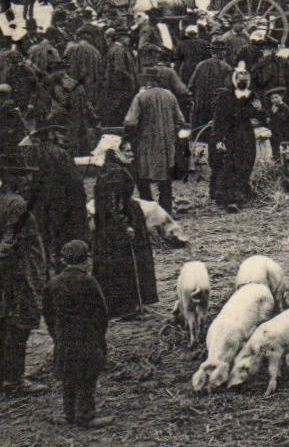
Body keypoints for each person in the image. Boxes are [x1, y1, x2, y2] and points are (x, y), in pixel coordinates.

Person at [0, 148, 49, 398]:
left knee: (2, 322)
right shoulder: (17, 204)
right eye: (23, 176)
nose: (27, 180)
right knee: (19, 324)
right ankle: (15, 381)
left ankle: (4, 378)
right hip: (18, 273)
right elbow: (11, 240)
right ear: (14, 177)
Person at [43, 240, 111, 428]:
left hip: (63, 338)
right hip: (86, 337)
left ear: (64, 260)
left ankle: (69, 413)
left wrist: (55, 334)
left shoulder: (54, 283)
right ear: (86, 259)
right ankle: (85, 415)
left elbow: (47, 312)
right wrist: (99, 336)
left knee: (68, 377)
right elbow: (101, 312)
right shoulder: (88, 281)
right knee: (87, 378)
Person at [90, 140, 158, 319]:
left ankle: (120, 305)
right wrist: (124, 225)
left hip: (108, 225)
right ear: (115, 152)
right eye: (126, 151)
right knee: (124, 264)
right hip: (117, 225)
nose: (131, 154)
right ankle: (126, 307)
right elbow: (114, 205)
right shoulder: (116, 174)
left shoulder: (109, 170)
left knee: (113, 265)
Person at [23, 124, 90, 265]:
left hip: (40, 204)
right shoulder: (61, 154)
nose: (63, 137)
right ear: (51, 135)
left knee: (43, 239)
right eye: (59, 133)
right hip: (61, 203)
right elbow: (74, 183)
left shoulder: (31, 153)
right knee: (61, 239)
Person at [121, 66, 185, 213]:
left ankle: (148, 209)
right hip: (167, 145)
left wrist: (128, 138)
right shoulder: (169, 95)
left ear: (146, 81)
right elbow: (180, 120)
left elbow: (130, 122)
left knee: (142, 176)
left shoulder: (141, 97)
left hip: (147, 143)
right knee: (165, 179)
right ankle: (166, 211)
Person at [211, 65, 261, 211]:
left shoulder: (253, 96)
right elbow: (219, 119)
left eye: (245, 77)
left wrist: (259, 110)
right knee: (230, 166)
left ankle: (241, 195)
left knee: (246, 164)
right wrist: (218, 139)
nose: (243, 79)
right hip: (231, 135)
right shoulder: (225, 96)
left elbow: (261, 116)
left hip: (246, 136)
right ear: (235, 79)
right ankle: (229, 199)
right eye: (240, 77)